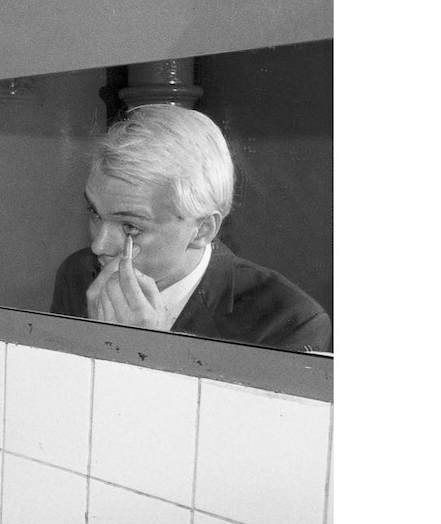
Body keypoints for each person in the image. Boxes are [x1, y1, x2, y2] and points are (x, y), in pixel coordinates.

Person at [50, 104, 331, 352]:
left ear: (202, 230)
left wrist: (146, 352)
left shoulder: (288, 321)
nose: (99, 245)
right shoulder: (78, 275)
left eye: (130, 227)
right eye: (95, 213)